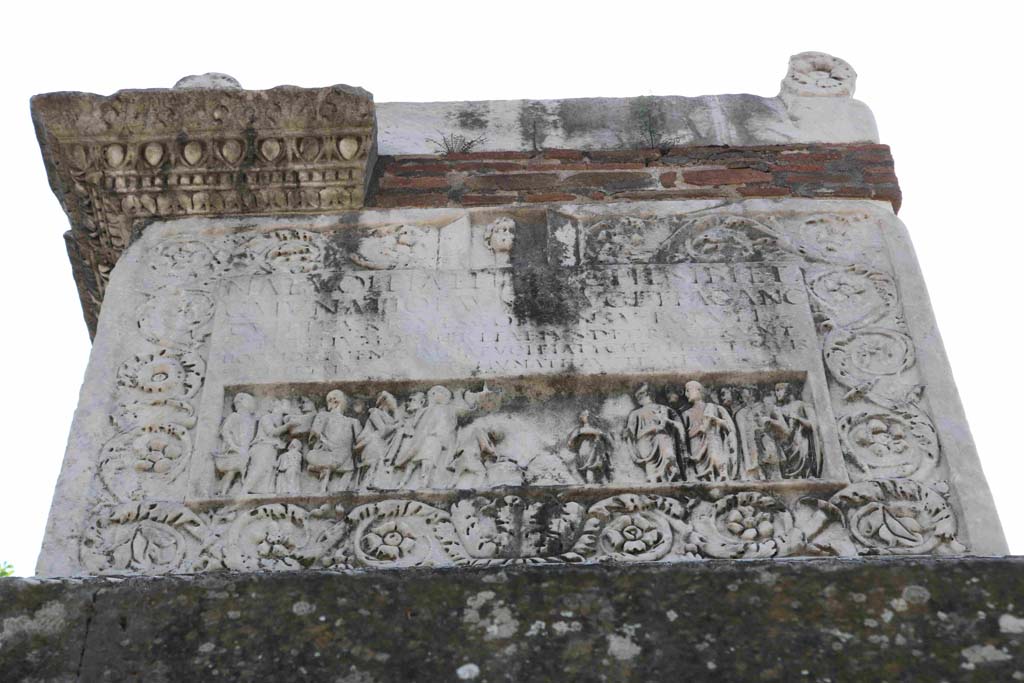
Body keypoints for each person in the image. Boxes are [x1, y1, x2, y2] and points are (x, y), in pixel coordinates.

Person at [679, 380, 739, 481]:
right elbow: (682, 437)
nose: (686, 394)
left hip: (715, 445)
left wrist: (714, 420)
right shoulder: (686, 414)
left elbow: (730, 428)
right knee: (702, 479)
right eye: (686, 391)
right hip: (695, 449)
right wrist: (699, 430)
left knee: (718, 469)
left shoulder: (716, 408)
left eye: (688, 390)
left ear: (698, 390)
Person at [306, 390, 362, 493]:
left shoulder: (323, 416)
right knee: (312, 455)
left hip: (335, 459)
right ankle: (325, 472)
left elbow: (313, 438)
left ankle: (323, 471)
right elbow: (360, 441)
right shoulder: (353, 421)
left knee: (310, 455)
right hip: (345, 462)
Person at [623, 384, 682, 483]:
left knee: (667, 460)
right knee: (653, 468)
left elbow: (678, 428)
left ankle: (667, 478)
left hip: (661, 440)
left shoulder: (665, 409)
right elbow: (631, 435)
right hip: (647, 443)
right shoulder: (636, 414)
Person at [763, 382, 820, 478]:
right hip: (785, 444)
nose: (777, 393)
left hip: (801, 441)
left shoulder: (800, 404)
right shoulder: (778, 409)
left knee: (804, 462)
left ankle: (806, 475)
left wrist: (797, 418)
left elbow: (812, 425)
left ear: (788, 390)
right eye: (776, 391)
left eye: (779, 390)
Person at [354, 391, 400, 489]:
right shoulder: (375, 412)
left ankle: (377, 483)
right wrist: (396, 426)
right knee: (374, 464)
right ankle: (366, 485)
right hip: (372, 444)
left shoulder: (389, 417)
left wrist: (396, 410)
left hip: (382, 445)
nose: (395, 401)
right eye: (392, 399)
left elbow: (398, 425)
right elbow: (382, 430)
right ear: (384, 401)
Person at [244, 398, 290, 494]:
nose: (281, 415)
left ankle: (263, 495)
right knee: (258, 470)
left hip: (271, 449)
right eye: (280, 411)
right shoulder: (266, 418)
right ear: (275, 408)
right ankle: (243, 492)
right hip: (262, 447)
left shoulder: (278, 423)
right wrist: (287, 426)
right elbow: (271, 432)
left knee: (268, 472)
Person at [215, 392, 257, 495]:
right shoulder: (235, 416)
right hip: (235, 448)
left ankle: (236, 488)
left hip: (245, 448)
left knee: (241, 468)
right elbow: (225, 431)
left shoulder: (251, 420)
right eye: (250, 401)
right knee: (232, 471)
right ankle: (223, 491)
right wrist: (234, 446)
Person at [568, 410, 613, 484]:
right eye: (585, 415)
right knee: (589, 475)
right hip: (583, 455)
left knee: (597, 475)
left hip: (596, 454)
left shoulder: (598, 430)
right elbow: (570, 442)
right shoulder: (578, 430)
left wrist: (598, 434)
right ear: (581, 418)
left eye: (589, 415)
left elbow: (607, 441)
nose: (588, 416)